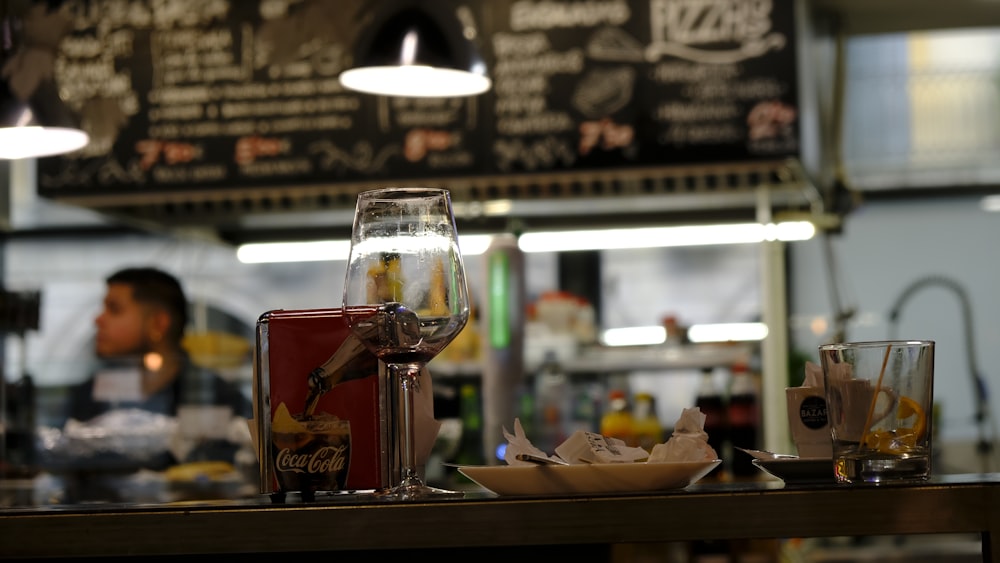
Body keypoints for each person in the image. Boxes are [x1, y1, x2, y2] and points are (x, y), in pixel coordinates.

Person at [66, 267, 252, 463]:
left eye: (114, 309)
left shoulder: (214, 395)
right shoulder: (90, 394)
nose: (98, 319)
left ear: (158, 323)